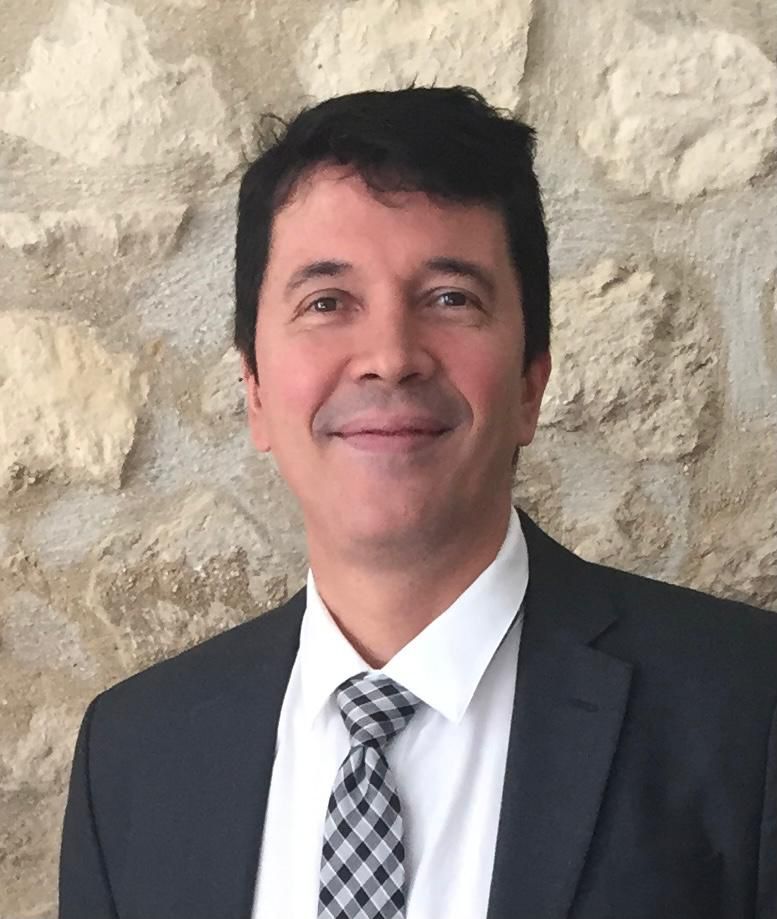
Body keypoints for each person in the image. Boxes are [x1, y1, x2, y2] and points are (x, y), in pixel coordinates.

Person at [59, 86, 777, 919]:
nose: (391, 356)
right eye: (326, 303)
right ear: (253, 390)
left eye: (449, 298)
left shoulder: (747, 710)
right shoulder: (132, 757)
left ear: (530, 383)